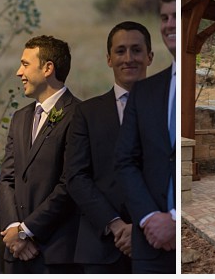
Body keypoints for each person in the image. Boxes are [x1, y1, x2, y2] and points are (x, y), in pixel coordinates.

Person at [64, 21, 155, 273]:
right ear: (108, 58)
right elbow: (76, 176)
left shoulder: (167, 109)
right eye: (120, 51)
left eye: (136, 50)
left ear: (149, 56)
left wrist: (141, 227)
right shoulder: (87, 112)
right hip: (101, 244)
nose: (128, 58)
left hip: (157, 242)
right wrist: (116, 225)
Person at [0, 35, 82, 274]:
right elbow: (7, 179)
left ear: (47, 68)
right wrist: (15, 229)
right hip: (16, 252)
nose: (18, 72)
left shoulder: (79, 114)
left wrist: (27, 230)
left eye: (25, 64)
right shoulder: (20, 118)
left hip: (56, 252)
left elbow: (70, 184)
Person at [115, 0, 177, 274]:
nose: (170, 24)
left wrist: (175, 219)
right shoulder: (145, 91)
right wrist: (150, 217)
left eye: (178, 16)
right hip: (149, 242)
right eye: (165, 17)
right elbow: (126, 160)